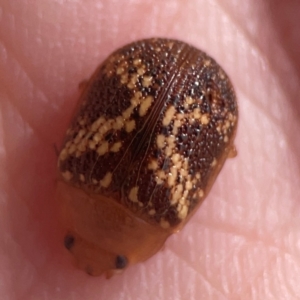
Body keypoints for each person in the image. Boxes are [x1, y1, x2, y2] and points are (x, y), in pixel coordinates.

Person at [1, 0, 299, 299]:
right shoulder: (77, 166)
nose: (88, 268)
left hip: (152, 68)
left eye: (71, 241)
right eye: (117, 260)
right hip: (173, 78)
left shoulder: (162, 209)